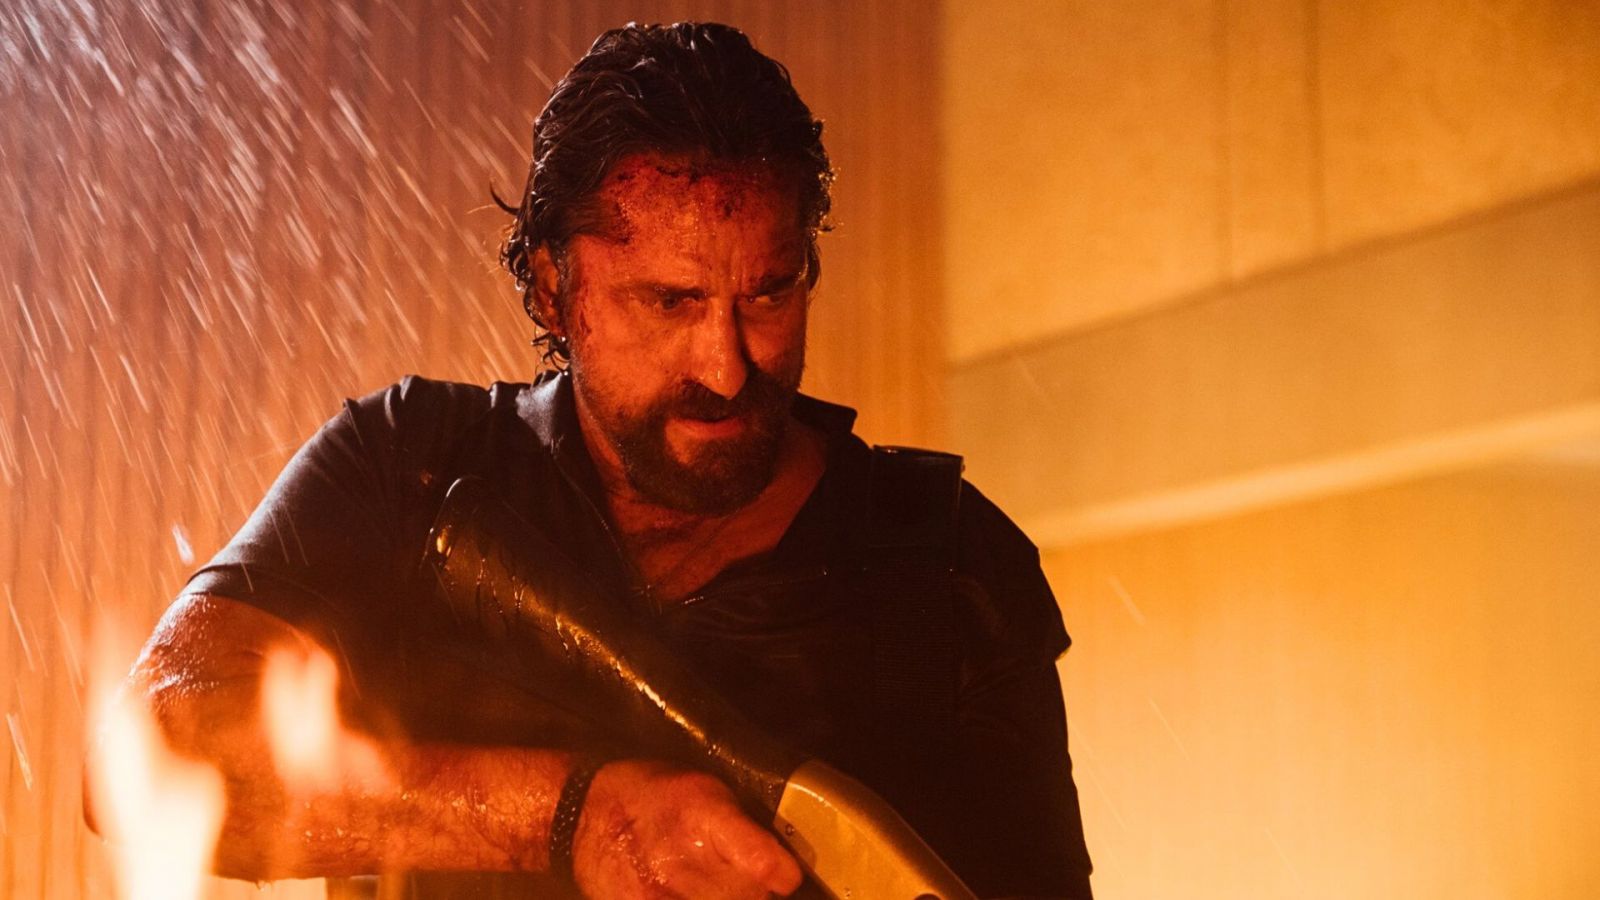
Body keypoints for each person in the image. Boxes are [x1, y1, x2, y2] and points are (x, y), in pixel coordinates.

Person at [96, 21, 1093, 900]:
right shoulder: (409, 466)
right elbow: (148, 756)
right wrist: (574, 817)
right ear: (552, 289)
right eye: (668, 302)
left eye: (768, 294)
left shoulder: (949, 562)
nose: (727, 366)